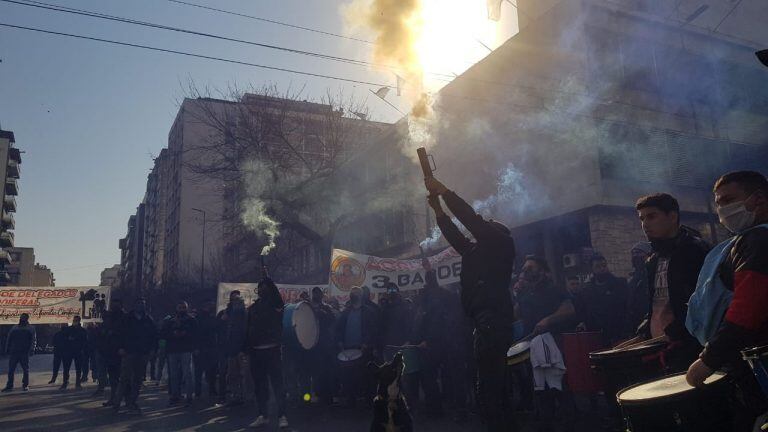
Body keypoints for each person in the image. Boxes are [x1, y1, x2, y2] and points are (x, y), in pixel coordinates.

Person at [425, 177, 517, 432]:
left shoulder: (501, 244)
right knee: (493, 386)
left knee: (489, 388)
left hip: (494, 321)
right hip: (481, 322)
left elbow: (470, 219)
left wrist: (444, 190)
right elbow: (456, 236)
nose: (482, 226)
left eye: (488, 225)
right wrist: (438, 210)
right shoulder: (477, 252)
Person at [685, 171, 768, 431]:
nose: (722, 209)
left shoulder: (757, 241)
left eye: (729, 199)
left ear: (758, 199)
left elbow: (747, 310)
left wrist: (708, 360)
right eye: (719, 203)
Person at [630, 193, 709, 372]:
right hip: (660, 350)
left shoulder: (696, 251)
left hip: (691, 349)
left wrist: (676, 331)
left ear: (672, 216)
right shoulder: (652, 260)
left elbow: (705, 305)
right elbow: (656, 303)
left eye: (651, 216)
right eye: (642, 219)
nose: (645, 224)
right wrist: (644, 331)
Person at [513, 255, 575, 418]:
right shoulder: (525, 292)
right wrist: (516, 294)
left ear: (542, 271)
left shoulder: (554, 289)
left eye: (530, 268)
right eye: (524, 269)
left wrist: (548, 319)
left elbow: (569, 309)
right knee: (539, 389)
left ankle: (569, 421)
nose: (526, 271)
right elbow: (516, 314)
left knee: (559, 385)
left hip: (553, 344)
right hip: (532, 346)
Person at [246, 278, 289, 429]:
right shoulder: (252, 308)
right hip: (256, 352)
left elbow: (278, 300)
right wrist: (247, 350)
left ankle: (282, 415)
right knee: (260, 386)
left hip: (272, 350)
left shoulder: (275, 305)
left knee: (278, 385)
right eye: (261, 287)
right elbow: (248, 330)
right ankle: (263, 415)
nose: (263, 290)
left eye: (266, 287)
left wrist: (269, 280)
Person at [336, 286, 382, 408]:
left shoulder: (369, 311)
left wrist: (366, 344)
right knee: (349, 377)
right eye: (352, 293)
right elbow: (339, 329)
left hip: (363, 350)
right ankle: (351, 400)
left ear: (360, 296)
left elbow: (373, 330)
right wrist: (340, 341)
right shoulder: (345, 312)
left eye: (355, 293)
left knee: (365, 376)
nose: (353, 295)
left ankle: (368, 401)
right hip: (348, 350)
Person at [112, 298, 157, 413]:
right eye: (138, 304)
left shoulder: (148, 319)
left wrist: (152, 350)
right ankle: (116, 403)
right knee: (124, 379)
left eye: (142, 304)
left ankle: (132, 402)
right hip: (128, 352)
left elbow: (153, 336)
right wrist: (120, 347)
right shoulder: (126, 319)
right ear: (134, 305)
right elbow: (118, 334)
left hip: (143, 353)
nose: (140, 306)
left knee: (137, 379)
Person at [576, 255, 629, 346]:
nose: (602, 269)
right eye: (598, 266)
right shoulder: (587, 290)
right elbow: (584, 310)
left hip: (618, 333)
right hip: (595, 336)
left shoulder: (620, 284)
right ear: (592, 269)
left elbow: (626, 306)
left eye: (604, 265)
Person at [216, 290, 249, 406]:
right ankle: (236, 396)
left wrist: (244, 348)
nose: (236, 302)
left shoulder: (245, 314)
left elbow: (246, 331)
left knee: (244, 375)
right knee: (232, 375)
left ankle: (246, 397)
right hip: (230, 349)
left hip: (242, 349)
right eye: (234, 299)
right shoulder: (226, 313)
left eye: (238, 300)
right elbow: (220, 329)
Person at [162, 301, 197, 406]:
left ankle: (189, 396)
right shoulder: (170, 321)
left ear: (187, 308)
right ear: (176, 308)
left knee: (188, 374)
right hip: (173, 349)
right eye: (180, 307)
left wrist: (185, 333)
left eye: (184, 307)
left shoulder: (191, 320)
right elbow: (164, 334)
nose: (182, 309)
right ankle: (174, 395)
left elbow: (196, 334)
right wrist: (173, 334)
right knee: (173, 374)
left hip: (186, 349)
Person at [308, 286, 337, 404]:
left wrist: (321, 312)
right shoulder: (307, 307)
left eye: (318, 293)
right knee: (316, 370)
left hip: (325, 343)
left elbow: (332, 319)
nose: (316, 296)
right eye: (314, 294)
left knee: (327, 370)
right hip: (312, 343)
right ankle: (317, 393)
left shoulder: (326, 307)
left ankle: (328, 394)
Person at [100, 299, 126, 405]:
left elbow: (126, 333)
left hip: (121, 351)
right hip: (110, 351)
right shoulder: (109, 317)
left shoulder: (125, 317)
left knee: (123, 377)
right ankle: (114, 398)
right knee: (113, 377)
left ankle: (125, 399)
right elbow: (104, 330)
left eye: (117, 304)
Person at [2, 313, 36, 392]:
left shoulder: (31, 328)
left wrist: (32, 349)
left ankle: (25, 385)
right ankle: (9, 386)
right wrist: (7, 348)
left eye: (23, 318)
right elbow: (9, 338)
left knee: (25, 369)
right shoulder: (14, 327)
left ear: (27, 319)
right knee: (11, 370)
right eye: (21, 318)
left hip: (24, 352)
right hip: (14, 352)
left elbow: (33, 340)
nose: (22, 319)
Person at [625, 242, 652, 335]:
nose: (635, 256)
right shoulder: (632, 278)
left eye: (639, 252)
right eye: (633, 253)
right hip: (635, 323)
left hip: (650, 320)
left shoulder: (652, 273)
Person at [193, 301, 218, 399]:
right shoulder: (198, 319)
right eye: (206, 306)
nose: (208, 307)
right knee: (199, 371)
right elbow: (195, 335)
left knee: (211, 371)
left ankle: (210, 390)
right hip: (202, 348)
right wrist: (195, 347)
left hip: (210, 347)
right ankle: (199, 391)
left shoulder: (212, 317)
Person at [60, 315, 88, 390]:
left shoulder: (82, 330)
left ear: (79, 321)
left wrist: (77, 341)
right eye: (74, 320)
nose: (74, 322)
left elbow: (85, 341)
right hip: (69, 351)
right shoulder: (68, 329)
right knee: (66, 368)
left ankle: (78, 383)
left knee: (78, 368)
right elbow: (63, 338)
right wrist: (68, 339)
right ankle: (65, 382)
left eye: (76, 320)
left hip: (78, 351)